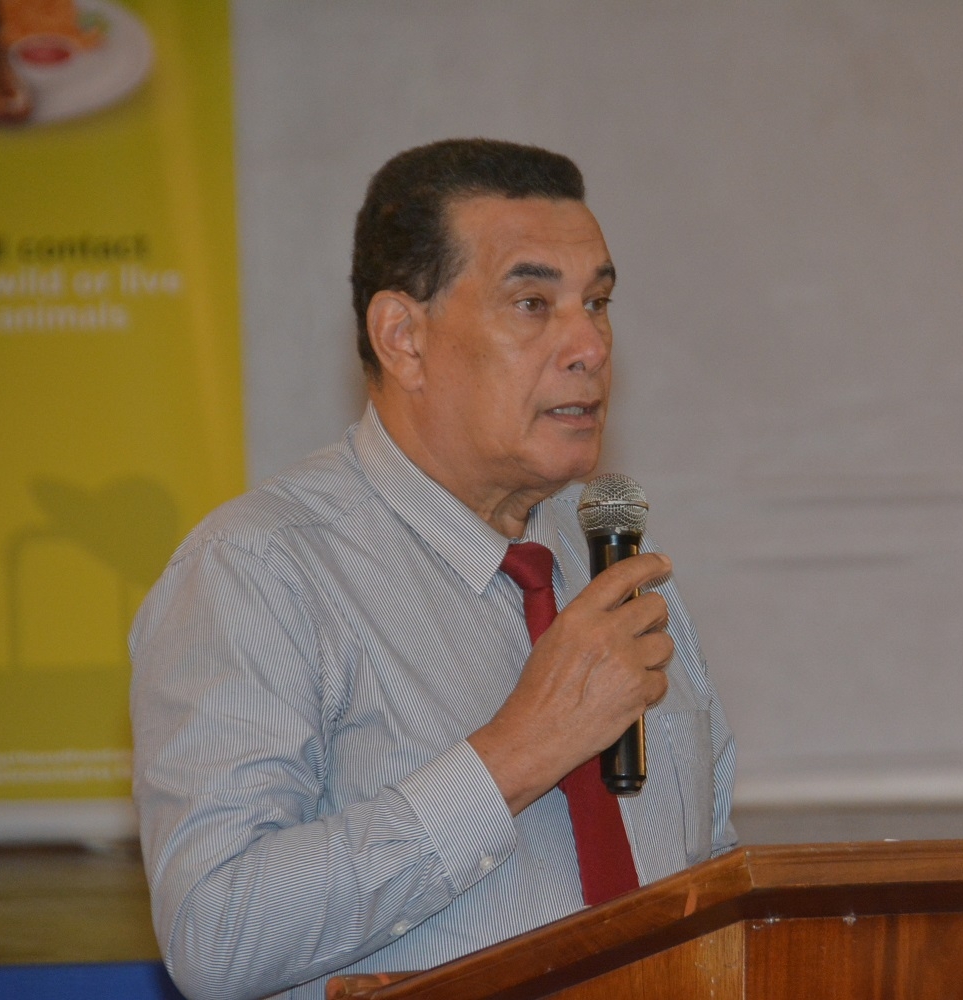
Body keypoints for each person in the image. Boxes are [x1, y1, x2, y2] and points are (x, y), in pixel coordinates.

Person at [131, 138, 737, 1000]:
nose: (590, 346)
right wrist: (515, 754)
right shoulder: (257, 571)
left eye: (596, 302)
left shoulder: (618, 565)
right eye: (533, 303)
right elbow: (217, 935)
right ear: (403, 338)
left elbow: (711, 872)